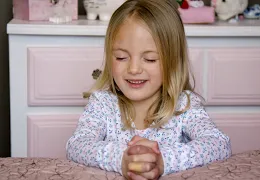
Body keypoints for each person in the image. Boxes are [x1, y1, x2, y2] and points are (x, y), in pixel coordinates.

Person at [66, 0, 232, 179]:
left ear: (173, 61)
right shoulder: (102, 104)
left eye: (150, 59)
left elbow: (219, 143)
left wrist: (162, 160)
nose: (134, 69)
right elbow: (76, 145)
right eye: (121, 57)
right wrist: (121, 159)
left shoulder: (184, 105)